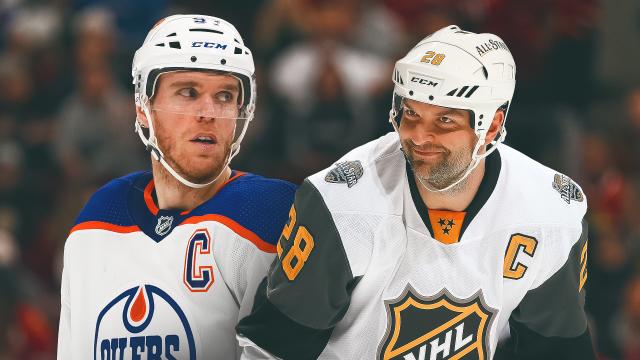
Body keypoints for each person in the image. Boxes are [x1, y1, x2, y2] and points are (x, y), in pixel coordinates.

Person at [237, 25, 596, 359]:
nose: (420, 137)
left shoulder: (551, 211)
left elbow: (555, 351)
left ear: (492, 126)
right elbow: (271, 349)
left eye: (444, 120)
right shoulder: (341, 203)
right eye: (411, 114)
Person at [57, 15, 296, 359]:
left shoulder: (271, 213)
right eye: (188, 92)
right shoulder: (97, 221)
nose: (209, 112)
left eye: (225, 95)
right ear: (143, 106)